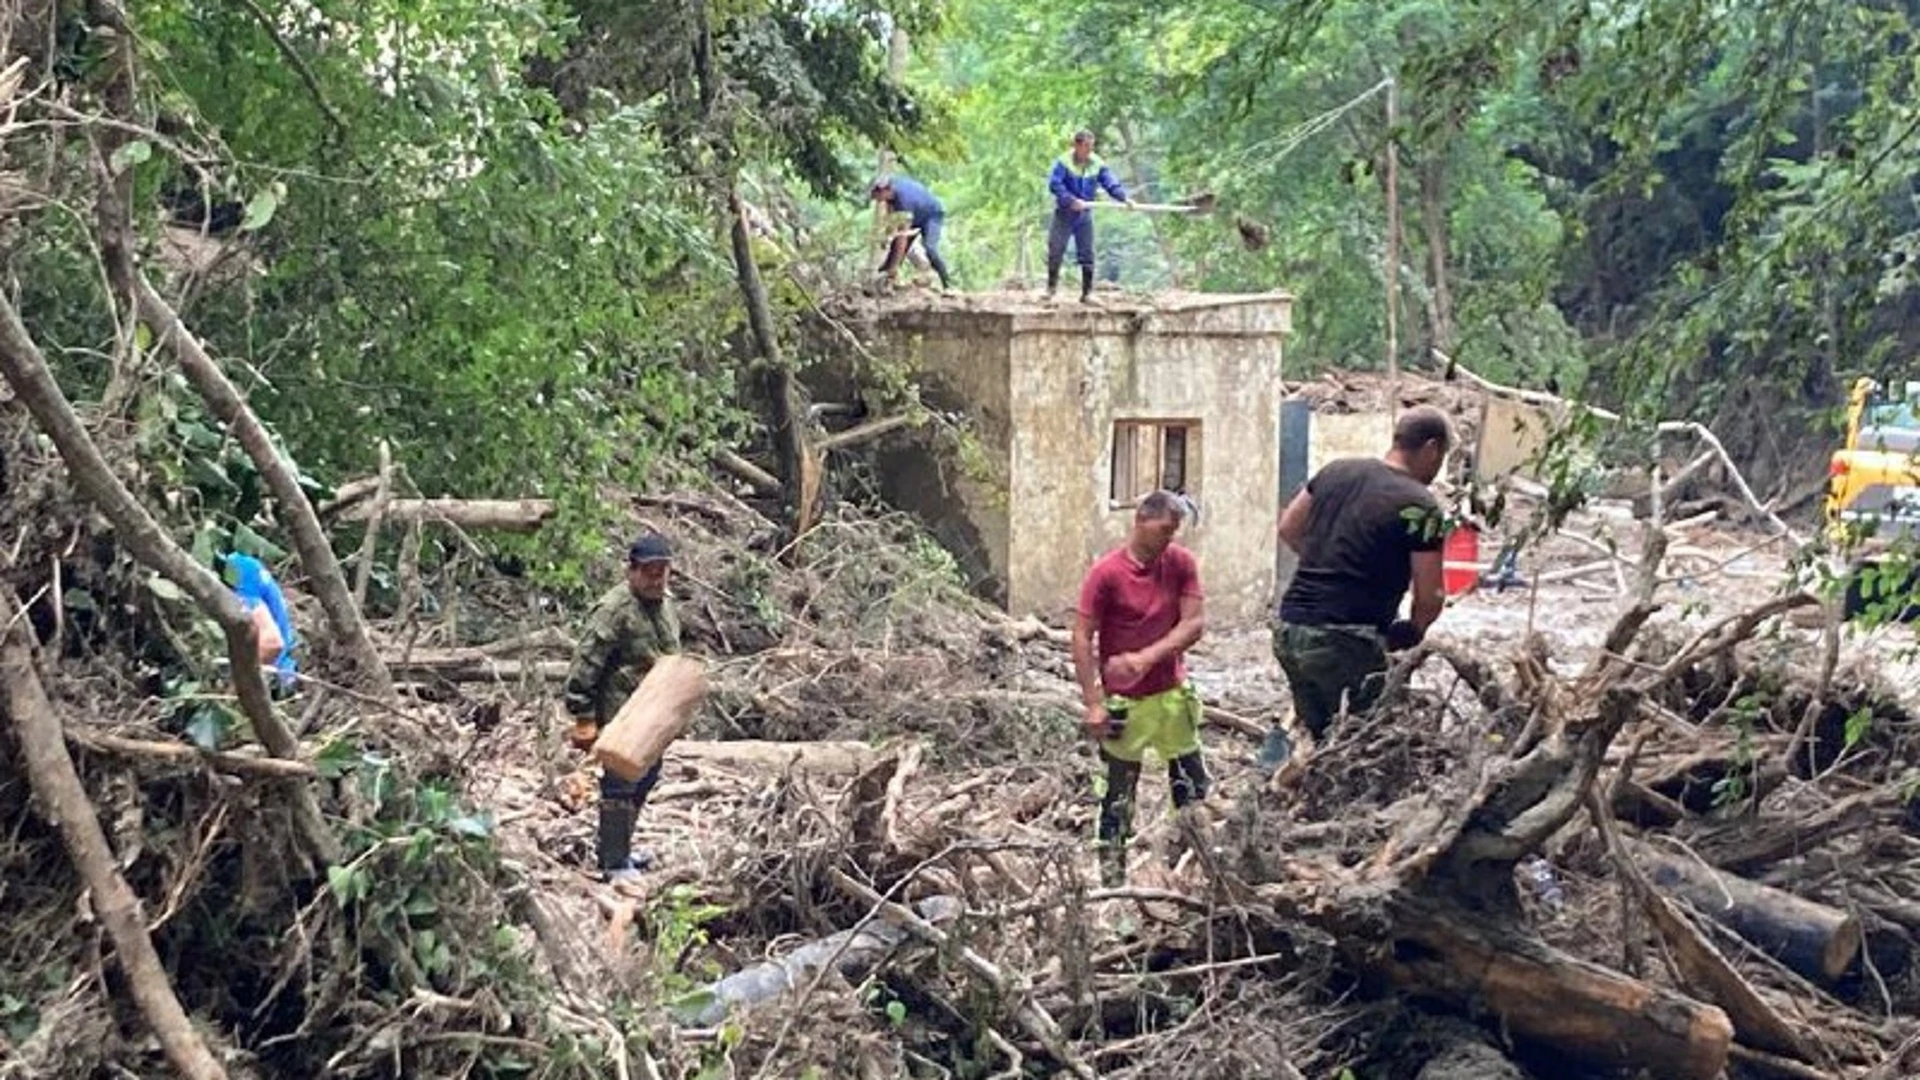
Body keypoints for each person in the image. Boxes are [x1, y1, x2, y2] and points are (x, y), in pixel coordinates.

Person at [1258, 406, 1454, 775]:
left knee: (1322, 740)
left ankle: (1298, 812)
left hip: (1291, 628)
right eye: (1441, 457)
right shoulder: (1420, 504)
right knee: (1365, 749)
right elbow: (1431, 595)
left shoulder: (1336, 471)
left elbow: (1288, 527)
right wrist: (1412, 631)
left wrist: (1330, 563)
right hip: (1347, 638)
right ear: (1431, 448)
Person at [1071, 490, 1208, 886]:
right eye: (1164, 529)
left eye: (1175, 530)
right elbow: (1082, 636)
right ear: (1140, 521)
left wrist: (1146, 657)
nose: (1169, 538)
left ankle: (1190, 871)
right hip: (1124, 702)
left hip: (1171, 696)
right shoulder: (1107, 573)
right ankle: (1112, 882)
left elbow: (1194, 623)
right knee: (1118, 794)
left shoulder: (1180, 563)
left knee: (1191, 786)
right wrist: (1093, 702)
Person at [561, 533, 682, 885]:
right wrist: (583, 716)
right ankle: (613, 862)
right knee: (619, 786)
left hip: (653, 713)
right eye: (648, 571)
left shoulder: (664, 604)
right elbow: (586, 665)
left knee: (647, 777)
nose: (656, 578)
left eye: (662, 571)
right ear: (631, 571)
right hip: (619, 714)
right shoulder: (615, 610)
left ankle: (622, 849)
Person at [1045, 129, 1132, 303]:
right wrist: (1070, 200)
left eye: (1091, 147)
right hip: (1064, 213)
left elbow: (1110, 183)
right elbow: (1055, 185)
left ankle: (1087, 293)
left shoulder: (1096, 163)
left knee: (1087, 253)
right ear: (1076, 145)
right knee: (1056, 249)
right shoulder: (1063, 162)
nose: (1088, 151)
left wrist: (1124, 198)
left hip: (1084, 215)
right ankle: (1051, 289)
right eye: (1086, 147)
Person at [870, 175, 953, 292]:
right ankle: (886, 280)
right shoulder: (891, 190)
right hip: (914, 214)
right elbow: (891, 217)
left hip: (932, 215)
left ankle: (948, 284)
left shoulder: (904, 201)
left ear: (884, 190)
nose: (877, 201)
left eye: (877, 197)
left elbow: (902, 238)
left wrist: (893, 267)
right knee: (894, 248)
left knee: (929, 248)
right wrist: (887, 235)